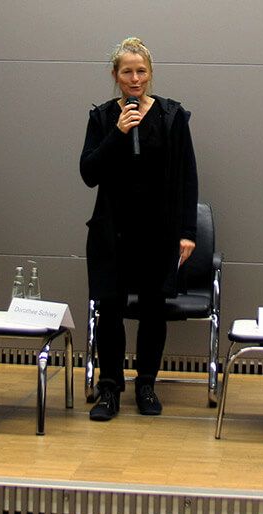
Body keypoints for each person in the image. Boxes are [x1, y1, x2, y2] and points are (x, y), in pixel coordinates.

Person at [79, 37, 199, 421]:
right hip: (111, 230)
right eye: (127, 71)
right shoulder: (101, 118)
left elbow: (187, 177)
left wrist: (187, 231)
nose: (135, 78)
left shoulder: (171, 116)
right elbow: (88, 173)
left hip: (157, 231)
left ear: (150, 73)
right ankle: (110, 387)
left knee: (153, 309)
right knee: (109, 309)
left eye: (141, 71)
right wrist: (117, 132)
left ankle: (146, 383)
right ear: (115, 75)